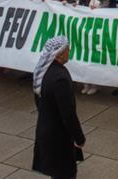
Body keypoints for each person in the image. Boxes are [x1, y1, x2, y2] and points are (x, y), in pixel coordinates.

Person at [32, 36, 86, 179]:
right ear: (60, 54)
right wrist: (79, 138)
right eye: (68, 49)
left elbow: (38, 101)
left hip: (45, 130)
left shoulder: (42, 72)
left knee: (56, 174)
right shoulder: (60, 78)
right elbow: (68, 114)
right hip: (58, 137)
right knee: (65, 174)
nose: (69, 51)